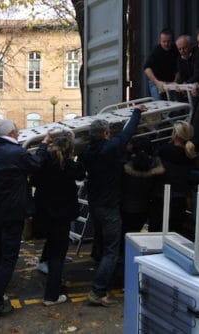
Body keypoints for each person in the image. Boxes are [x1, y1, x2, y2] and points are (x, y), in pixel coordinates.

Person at [79, 104, 147, 307]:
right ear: (106, 134)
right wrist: (137, 112)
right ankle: (98, 291)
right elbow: (127, 134)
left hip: (95, 205)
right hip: (109, 206)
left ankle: (101, 281)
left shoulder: (86, 152)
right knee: (112, 250)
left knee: (102, 244)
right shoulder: (110, 148)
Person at [0, 119, 51, 318]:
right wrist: (45, 144)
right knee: (9, 257)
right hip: (13, 213)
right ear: (12, 133)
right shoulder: (17, 153)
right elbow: (36, 164)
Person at [32, 129, 85, 306]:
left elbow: (33, 179)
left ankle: (43, 264)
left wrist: (43, 144)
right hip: (62, 215)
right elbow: (81, 173)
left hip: (44, 213)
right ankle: (51, 295)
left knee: (52, 245)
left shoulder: (43, 161)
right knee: (58, 254)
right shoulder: (69, 165)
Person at [149, 121, 197, 239]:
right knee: (175, 233)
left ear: (175, 134)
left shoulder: (164, 150)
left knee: (156, 231)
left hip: (162, 195)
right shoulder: (189, 154)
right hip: (180, 197)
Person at [120, 136, 164, 236]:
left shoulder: (126, 163)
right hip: (144, 206)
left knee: (125, 234)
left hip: (127, 206)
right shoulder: (153, 164)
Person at [144, 28, 179, 100]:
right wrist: (157, 82)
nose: (166, 44)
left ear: (172, 41)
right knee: (159, 105)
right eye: (164, 42)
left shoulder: (177, 49)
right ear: (160, 41)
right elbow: (147, 68)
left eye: (168, 41)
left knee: (175, 105)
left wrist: (175, 82)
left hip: (172, 82)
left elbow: (179, 69)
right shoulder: (156, 51)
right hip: (157, 82)